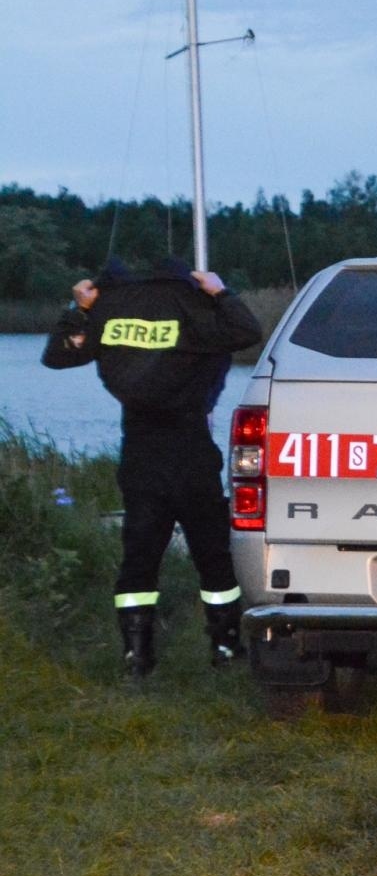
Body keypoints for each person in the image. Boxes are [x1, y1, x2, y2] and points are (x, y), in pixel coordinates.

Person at [42, 257, 263, 676]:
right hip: (191, 450)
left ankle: (137, 657)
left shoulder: (109, 310)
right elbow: (247, 332)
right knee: (213, 555)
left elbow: (57, 356)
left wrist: (80, 309)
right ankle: (225, 647)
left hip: (140, 455)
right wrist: (220, 291)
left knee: (139, 557)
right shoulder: (194, 308)